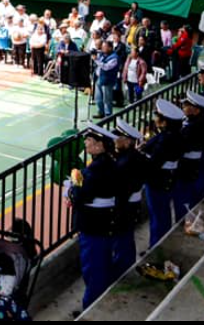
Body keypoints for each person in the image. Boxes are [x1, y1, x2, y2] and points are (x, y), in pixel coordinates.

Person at [70, 125, 120, 310]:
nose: (86, 143)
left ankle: (91, 309)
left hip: (93, 224)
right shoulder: (108, 163)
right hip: (104, 221)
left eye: (89, 141)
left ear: (100, 146)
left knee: (93, 269)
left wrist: (74, 184)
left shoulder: (96, 169)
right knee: (102, 263)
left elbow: (79, 195)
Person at [140, 99, 185, 247]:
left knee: (158, 216)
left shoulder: (165, 139)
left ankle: (157, 247)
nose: (155, 119)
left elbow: (153, 163)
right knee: (162, 213)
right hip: (168, 178)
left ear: (165, 122)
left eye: (158, 116)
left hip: (158, 181)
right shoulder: (176, 134)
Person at [112, 119, 149, 279]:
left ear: (127, 141)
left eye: (118, 138)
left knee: (122, 237)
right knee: (125, 236)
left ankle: (123, 270)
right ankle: (124, 264)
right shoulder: (133, 156)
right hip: (131, 204)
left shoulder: (127, 161)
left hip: (125, 205)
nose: (114, 141)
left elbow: (121, 188)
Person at [94, 41, 119, 117]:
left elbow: (106, 67)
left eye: (105, 47)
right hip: (99, 78)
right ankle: (100, 112)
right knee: (98, 97)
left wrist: (96, 60)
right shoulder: (102, 54)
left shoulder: (114, 58)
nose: (103, 48)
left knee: (107, 99)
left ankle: (108, 115)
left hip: (108, 80)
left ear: (110, 48)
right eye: (102, 47)